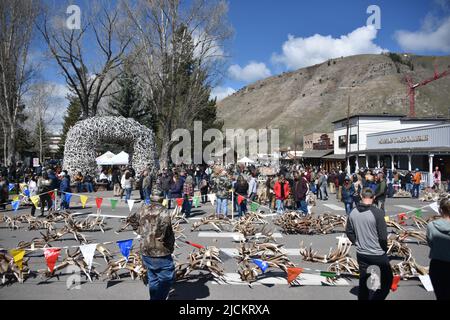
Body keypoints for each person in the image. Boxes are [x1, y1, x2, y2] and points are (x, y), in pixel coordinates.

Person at [346, 188, 393, 300]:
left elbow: (349, 231)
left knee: (364, 281)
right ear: (374, 198)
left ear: (361, 197)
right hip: (377, 253)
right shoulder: (377, 213)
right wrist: (384, 248)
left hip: (361, 253)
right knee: (387, 280)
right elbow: (382, 236)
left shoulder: (353, 212)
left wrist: (356, 242)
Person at [128, 203, 175, 300]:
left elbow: (131, 219)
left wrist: (140, 231)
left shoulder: (143, 208)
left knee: (153, 277)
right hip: (161, 252)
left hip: (146, 250)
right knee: (166, 279)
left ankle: (153, 297)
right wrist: (163, 238)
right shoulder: (163, 210)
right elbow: (165, 226)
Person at [426, 198, 450, 300]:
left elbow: (431, 243)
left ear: (440, 210)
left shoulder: (431, 225)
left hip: (437, 264)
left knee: (440, 295)